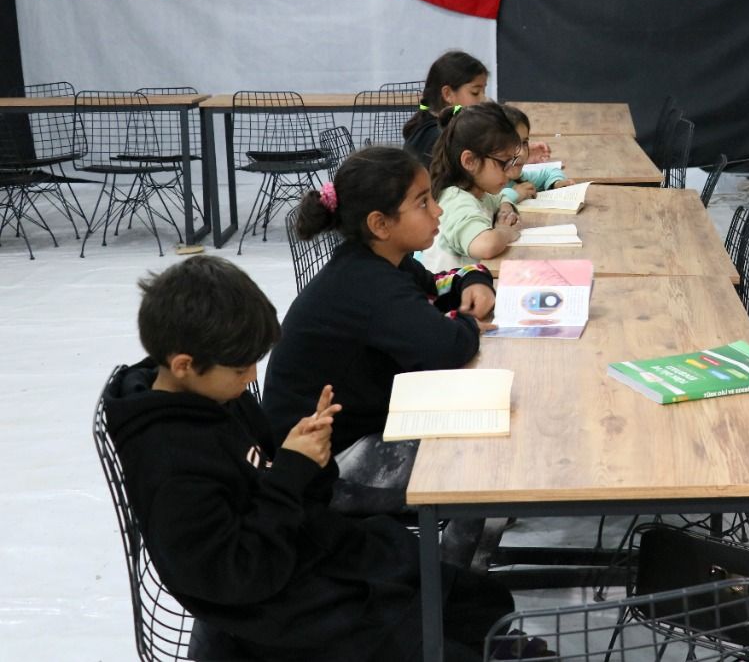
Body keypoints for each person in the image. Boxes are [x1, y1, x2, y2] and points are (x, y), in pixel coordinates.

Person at [102, 255, 522, 660]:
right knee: (434, 632)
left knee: (473, 598)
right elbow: (240, 574)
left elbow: (286, 489)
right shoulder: (169, 466)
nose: (252, 377)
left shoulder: (213, 395)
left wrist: (310, 458)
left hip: (305, 554)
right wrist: (292, 469)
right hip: (276, 613)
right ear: (183, 365)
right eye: (241, 369)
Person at [262, 146, 496, 513]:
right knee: (478, 460)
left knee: (482, 433)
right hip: (327, 465)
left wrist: (474, 281)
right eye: (423, 202)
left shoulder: (384, 262)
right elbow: (446, 348)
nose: (438, 210)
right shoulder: (368, 283)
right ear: (380, 224)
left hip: (359, 429)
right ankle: (454, 550)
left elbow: (436, 286)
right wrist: (468, 322)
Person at [430, 102, 526, 261]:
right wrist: (504, 232)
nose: (509, 170)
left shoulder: (481, 193)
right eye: (503, 162)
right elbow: (485, 246)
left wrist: (505, 209)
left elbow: (500, 198)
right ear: (470, 161)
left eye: (512, 161)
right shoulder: (456, 201)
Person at [402, 50, 491, 166]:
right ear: (448, 94)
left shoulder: (432, 129)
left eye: (484, 91)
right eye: (475, 92)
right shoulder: (441, 138)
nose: (484, 99)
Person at [498, 104, 573, 206]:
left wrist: (556, 183)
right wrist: (514, 195)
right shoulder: (480, 189)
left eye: (524, 143)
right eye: (511, 144)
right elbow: (484, 205)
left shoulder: (516, 178)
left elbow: (551, 172)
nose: (522, 153)